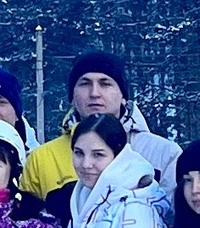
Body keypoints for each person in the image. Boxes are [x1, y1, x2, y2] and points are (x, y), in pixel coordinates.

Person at [23, 51, 180, 200]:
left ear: (123, 96)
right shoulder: (43, 159)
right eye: (85, 83)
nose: (94, 93)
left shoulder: (163, 154)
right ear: (72, 96)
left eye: (105, 84)